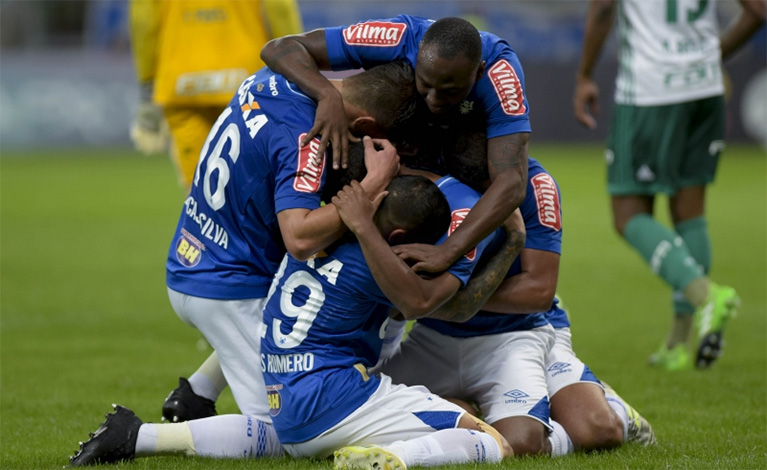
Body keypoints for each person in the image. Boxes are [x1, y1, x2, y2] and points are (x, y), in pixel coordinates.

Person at [68, 62, 421, 466]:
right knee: (288, 430)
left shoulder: (276, 78)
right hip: (227, 288)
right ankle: (133, 435)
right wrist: (374, 183)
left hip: (198, 255)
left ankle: (197, 393)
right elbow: (300, 237)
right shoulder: (305, 137)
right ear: (364, 122)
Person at [262, 174, 525, 469]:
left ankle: (199, 433)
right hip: (337, 402)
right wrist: (514, 240)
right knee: (493, 442)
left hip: (283, 411)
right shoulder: (378, 266)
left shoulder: (312, 237)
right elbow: (444, 307)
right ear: (399, 238)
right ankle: (396, 458)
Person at [572, 0, 765, 370]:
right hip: (705, 89)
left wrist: (584, 75)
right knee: (690, 211)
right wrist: (710, 58)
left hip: (650, 92)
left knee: (627, 215)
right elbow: (757, 11)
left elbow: (601, 9)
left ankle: (706, 294)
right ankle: (678, 343)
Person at [261, 15, 532, 275]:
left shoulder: (500, 73)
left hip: (453, 164)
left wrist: (449, 251)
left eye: (450, 91)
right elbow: (280, 47)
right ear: (418, 56)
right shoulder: (398, 37)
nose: (434, 101)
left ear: (479, 71)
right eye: (425, 85)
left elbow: (511, 182)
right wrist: (326, 95)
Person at [128, 0, 304, 189]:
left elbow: (143, 21)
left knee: (199, 188)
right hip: (247, 84)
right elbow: (281, 10)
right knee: (254, 182)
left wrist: (148, 86)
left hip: (183, 85)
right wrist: (296, 66)